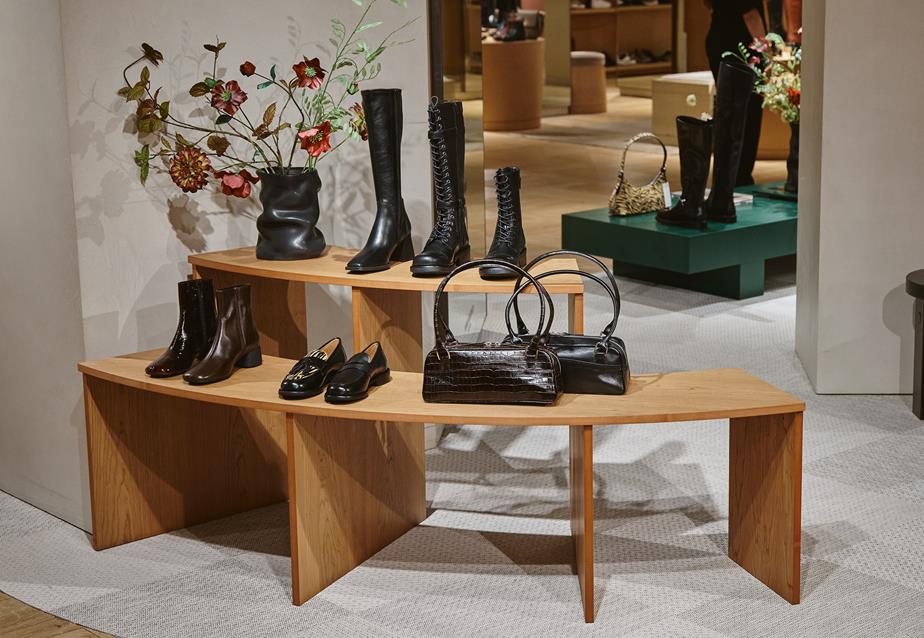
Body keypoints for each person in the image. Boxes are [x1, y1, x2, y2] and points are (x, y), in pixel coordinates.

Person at [704, 0, 766, 186]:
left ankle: (725, 176)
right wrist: (767, 50)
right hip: (742, 45)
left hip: (718, 37)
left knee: (727, 110)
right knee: (748, 111)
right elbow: (750, 14)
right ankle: (739, 176)